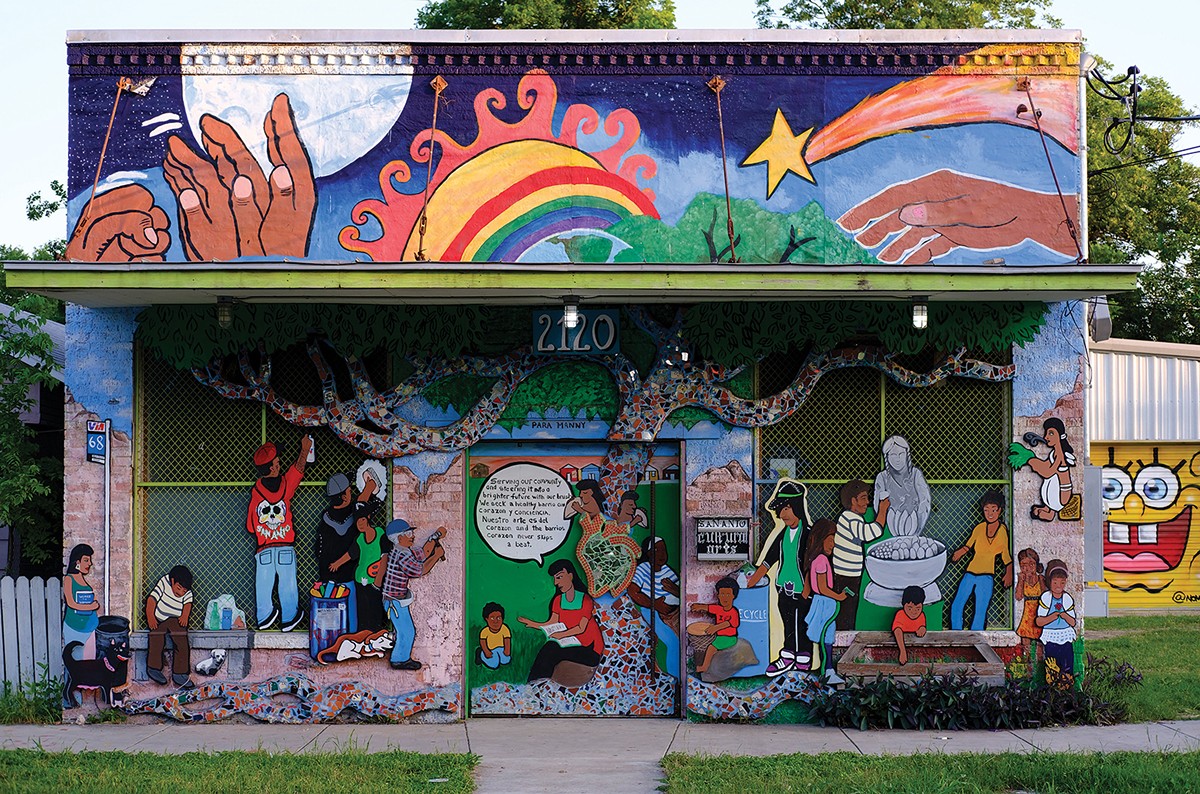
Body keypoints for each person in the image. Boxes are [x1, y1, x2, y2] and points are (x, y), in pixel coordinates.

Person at [247, 435, 312, 632]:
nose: (280, 464)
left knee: (263, 585)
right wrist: (304, 449)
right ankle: (289, 618)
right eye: (277, 462)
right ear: (273, 468)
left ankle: (264, 616)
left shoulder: (256, 494)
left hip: (264, 548)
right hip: (285, 546)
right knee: (288, 585)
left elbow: (250, 526)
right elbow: (299, 469)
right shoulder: (285, 486)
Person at [746, 480, 810, 676]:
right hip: (783, 587)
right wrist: (751, 582)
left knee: (803, 623)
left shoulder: (808, 535)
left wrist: (808, 589)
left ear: (797, 506)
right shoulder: (782, 535)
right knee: (788, 622)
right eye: (781, 510)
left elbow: (813, 563)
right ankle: (788, 655)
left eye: (787, 508)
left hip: (803, 590)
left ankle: (804, 656)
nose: (784, 514)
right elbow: (768, 560)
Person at [519, 559, 605, 682]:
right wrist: (533, 624)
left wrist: (561, 634)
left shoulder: (585, 600)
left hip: (589, 649)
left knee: (551, 651)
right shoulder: (558, 600)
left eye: (559, 577)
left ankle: (536, 684)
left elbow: (581, 628)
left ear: (571, 575)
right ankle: (534, 683)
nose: (556, 582)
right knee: (550, 647)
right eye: (554, 579)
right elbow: (552, 623)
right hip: (569, 644)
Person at [381, 519, 447, 671]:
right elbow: (420, 570)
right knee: (406, 631)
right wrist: (436, 556)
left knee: (406, 630)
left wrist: (435, 537)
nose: (412, 536)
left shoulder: (406, 550)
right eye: (408, 534)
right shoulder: (401, 555)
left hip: (398, 598)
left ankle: (401, 658)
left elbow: (423, 553)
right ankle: (399, 660)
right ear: (399, 538)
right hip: (394, 601)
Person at [950, 490, 1013, 630]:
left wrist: (1008, 572)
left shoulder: (1002, 531)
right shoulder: (979, 528)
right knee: (957, 604)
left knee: (980, 609)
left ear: (1000, 511)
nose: (990, 513)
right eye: (986, 510)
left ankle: (975, 637)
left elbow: (1006, 556)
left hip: (987, 576)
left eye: (993, 510)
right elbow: (968, 546)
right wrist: (959, 553)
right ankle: (956, 633)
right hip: (970, 573)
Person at [563, 479, 639, 597]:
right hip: (590, 549)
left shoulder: (602, 518)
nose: (581, 495)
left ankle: (605, 585)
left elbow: (605, 525)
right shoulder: (591, 512)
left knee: (601, 570)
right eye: (581, 493)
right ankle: (601, 586)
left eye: (584, 492)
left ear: (592, 493)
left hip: (595, 548)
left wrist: (580, 510)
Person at [832, 479, 885, 630]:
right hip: (846, 575)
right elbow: (868, 534)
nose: (867, 502)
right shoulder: (849, 517)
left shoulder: (851, 518)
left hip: (850, 573)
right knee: (846, 610)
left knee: (849, 608)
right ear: (852, 501)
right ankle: (842, 640)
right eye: (863, 498)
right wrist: (882, 512)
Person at [628, 536, 681, 675]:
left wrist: (674, 590)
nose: (662, 554)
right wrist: (654, 605)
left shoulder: (667, 570)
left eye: (664, 550)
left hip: (674, 614)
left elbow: (681, 592)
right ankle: (673, 677)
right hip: (654, 612)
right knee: (672, 643)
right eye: (657, 550)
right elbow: (633, 591)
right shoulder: (644, 569)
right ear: (649, 553)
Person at [803, 519, 847, 677]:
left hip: (823, 602)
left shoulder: (815, 560)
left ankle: (826, 669)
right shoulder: (821, 560)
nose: (833, 544)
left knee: (825, 636)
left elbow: (808, 588)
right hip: (825, 603)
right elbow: (822, 588)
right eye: (830, 540)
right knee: (826, 637)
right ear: (821, 539)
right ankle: (827, 669)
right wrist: (839, 596)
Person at [145, 565, 195, 688]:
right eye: (178, 588)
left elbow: (188, 604)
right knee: (156, 637)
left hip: (176, 618)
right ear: (172, 581)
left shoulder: (187, 593)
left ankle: (180, 673)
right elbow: (152, 599)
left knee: (181, 640)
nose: (180, 592)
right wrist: (150, 617)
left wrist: (184, 616)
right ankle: (154, 668)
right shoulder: (164, 582)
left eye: (184, 591)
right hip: (160, 616)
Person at [873, 436, 930, 538]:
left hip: (914, 530)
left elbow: (924, 502)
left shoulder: (915, 474)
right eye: (893, 455)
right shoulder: (882, 478)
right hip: (890, 531)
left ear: (907, 454)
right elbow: (878, 506)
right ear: (887, 457)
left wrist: (916, 530)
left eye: (901, 454)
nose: (897, 459)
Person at [1036, 559, 1078, 685]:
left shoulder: (1066, 598)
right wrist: (1052, 617)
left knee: (1067, 665)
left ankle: (1067, 688)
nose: (1058, 586)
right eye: (1055, 582)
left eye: (1062, 583)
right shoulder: (1046, 598)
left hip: (1065, 636)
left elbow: (1073, 622)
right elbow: (1039, 621)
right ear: (1050, 582)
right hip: (1051, 637)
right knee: (1052, 666)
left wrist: (1064, 615)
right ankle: (1053, 688)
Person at [353, 495, 391, 632]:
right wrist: (336, 564)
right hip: (360, 580)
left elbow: (384, 558)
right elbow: (351, 554)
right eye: (357, 521)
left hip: (374, 582)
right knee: (362, 613)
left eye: (362, 519)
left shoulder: (380, 534)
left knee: (375, 612)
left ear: (368, 518)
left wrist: (378, 582)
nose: (360, 524)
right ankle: (363, 640)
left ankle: (375, 641)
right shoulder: (360, 538)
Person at [688, 577, 740, 675]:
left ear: (733, 596)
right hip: (719, 637)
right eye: (722, 594)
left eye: (728, 594)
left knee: (711, 647)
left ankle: (704, 666)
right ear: (718, 596)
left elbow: (729, 623)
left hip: (729, 638)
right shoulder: (719, 609)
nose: (725, 597)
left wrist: (715, 628)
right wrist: (699, 606)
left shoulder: (733, 612)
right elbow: (709, 608)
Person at [62, 544, 99, 661]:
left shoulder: (82, 578)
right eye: (86, 560)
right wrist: (91, 606)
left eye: (90, 560)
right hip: (75, 627)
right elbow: (71, 603)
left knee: (89, 660)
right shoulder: (69, 579)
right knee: (76, 661)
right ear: (77, 562)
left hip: (89, 627)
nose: (90, 564)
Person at [1014, 547, 1046, 659]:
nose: (1027, 568)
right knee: (1025, 641)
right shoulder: (1022, 580)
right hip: (1027, 614)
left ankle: (1040, 663)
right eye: (1023, 565)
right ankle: (1026, 664)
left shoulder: (1040, 578)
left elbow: (1045, 595)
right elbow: (1018, 597)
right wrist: (1021, 581)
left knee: (1040, 641)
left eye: (1031, 564)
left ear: (1036, 565)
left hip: (1039, 612)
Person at [892, 585, 927, 666]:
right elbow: (897, 630)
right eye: (910, 608)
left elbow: (922, 627)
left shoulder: (921, 616)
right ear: (903, 605)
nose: (913, 612)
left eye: (918, 608)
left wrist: (922, 629)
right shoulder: (900, 615)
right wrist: (903, 651)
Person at [477, 602, 512, 669]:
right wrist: (486, 651)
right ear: (486, 619)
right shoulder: (484, 631)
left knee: (506, 660)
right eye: (492, 618)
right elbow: (483, 643)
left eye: (498, 618)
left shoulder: (505, 628)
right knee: (494, 664)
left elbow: (507, 641)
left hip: (501, 649)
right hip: (490, 650)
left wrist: (507, 651)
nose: (495, 621)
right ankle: (480, 654)